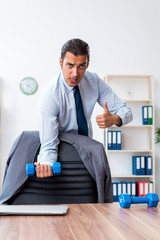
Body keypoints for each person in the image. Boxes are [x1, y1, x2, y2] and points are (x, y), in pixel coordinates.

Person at [35, 38, 133, 178]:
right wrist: (46, 164)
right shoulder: (50, 94)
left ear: (87, 64)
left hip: (86, 148)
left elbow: (127, 112)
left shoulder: (94, 82)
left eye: (81, 66)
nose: (75, 73)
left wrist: (115, 119)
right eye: (70, 65)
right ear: (60, 63)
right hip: (61, 148)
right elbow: (49, 143)